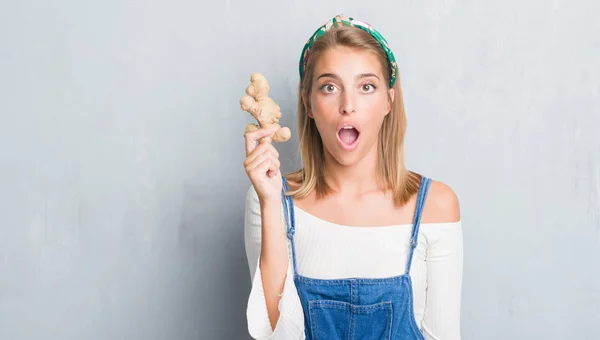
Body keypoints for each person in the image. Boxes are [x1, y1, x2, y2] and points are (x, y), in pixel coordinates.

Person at [243, 15, 463, 340]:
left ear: (388, 101)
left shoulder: (435, 206)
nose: (348, 105)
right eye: (330, 87)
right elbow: (272, 334)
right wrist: (271, 201)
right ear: (309, 104)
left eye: (366, 86)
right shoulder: (271, 198)